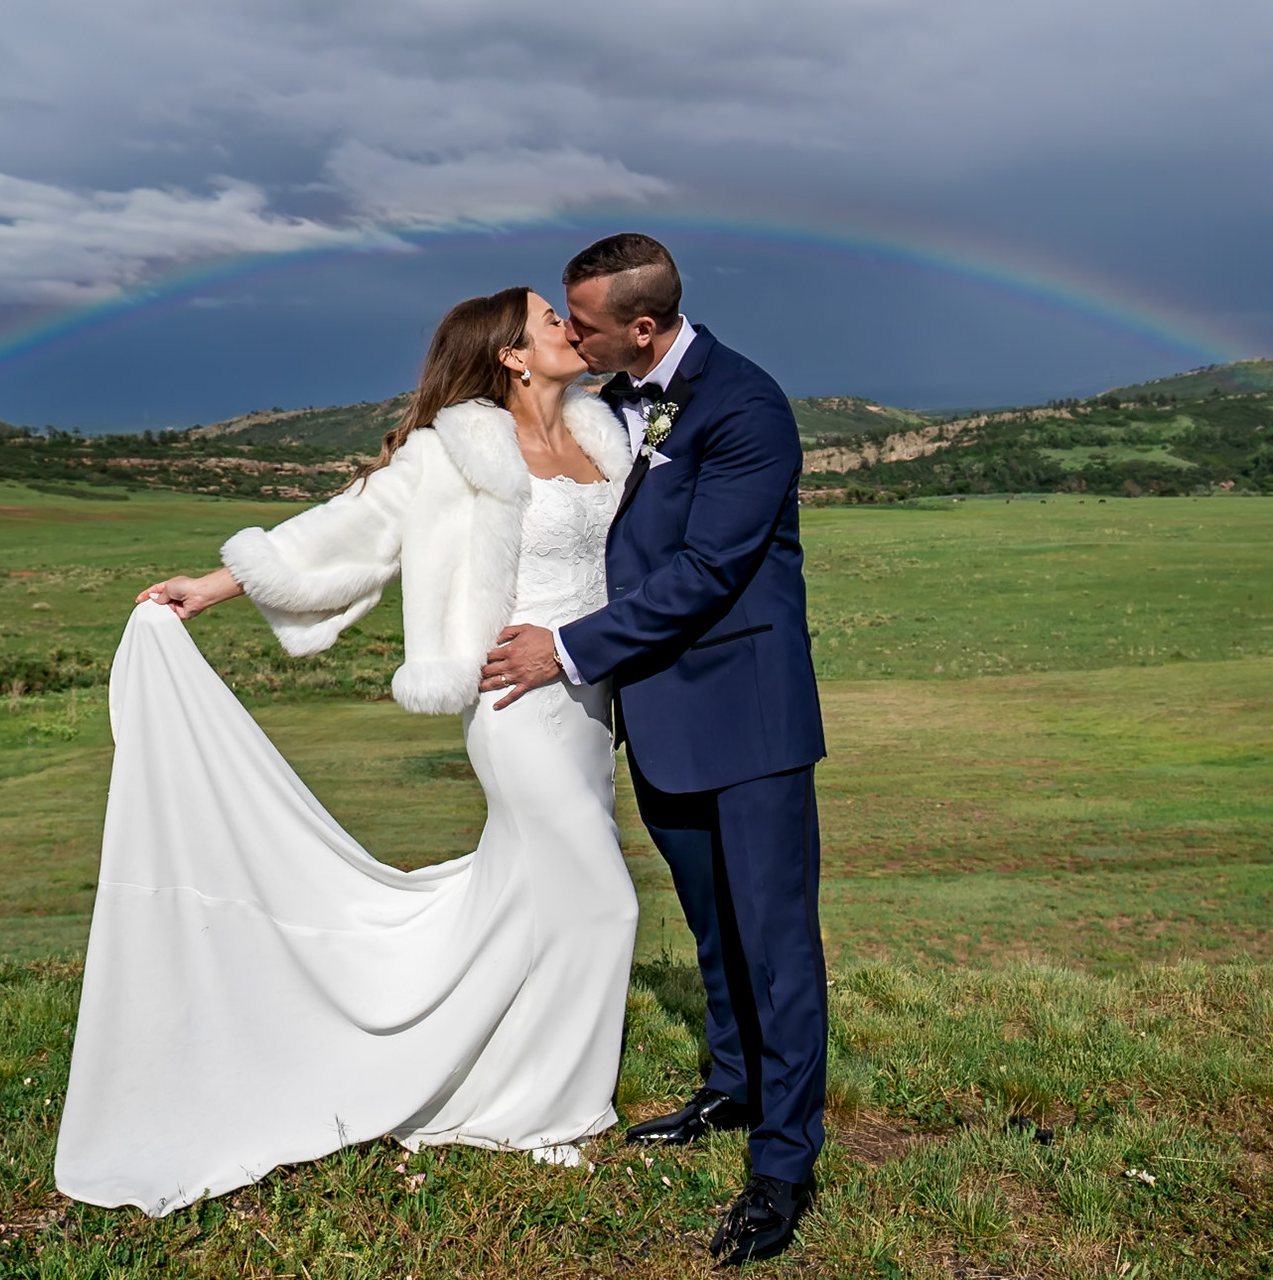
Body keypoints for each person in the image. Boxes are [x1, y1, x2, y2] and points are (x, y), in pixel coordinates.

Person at [54, 286, 641, 1215]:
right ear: (511, 355)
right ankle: (540, 1113)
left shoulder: (607, 434)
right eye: (548, 321)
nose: (571, 328)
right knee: (604, 900)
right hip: (511, 701)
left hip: (589, 698)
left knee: (538, 899)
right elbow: (349, 527)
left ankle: (486, 1065)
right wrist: (214, 586)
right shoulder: (453, 453)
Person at [483, 233, 828, 1266]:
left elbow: (709, 570)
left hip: (749, 718)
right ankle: (732, 1084)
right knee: (713, 924)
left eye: (580, 321)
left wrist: (567, 649)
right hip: (666, 719)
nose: (567, 332)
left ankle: (783, 1161)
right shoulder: (617, 402)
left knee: (775, 940)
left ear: (642, 325)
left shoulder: (746, 407)